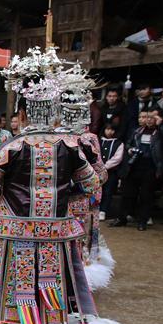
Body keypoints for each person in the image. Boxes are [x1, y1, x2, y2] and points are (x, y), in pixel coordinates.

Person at [0, 46, 123, 324]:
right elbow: (94, 184)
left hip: (13, 233)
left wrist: (5, 192)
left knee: (10, 291)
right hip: (56, 233)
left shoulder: (12, 147)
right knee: (47, 291)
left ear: (23, 114)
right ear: (54, 112)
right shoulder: (69, 147)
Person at [58, 63, 113, 290]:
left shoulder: (85, 139)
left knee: (75, 235)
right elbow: (100, 174)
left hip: (71, 196)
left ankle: (72, 273)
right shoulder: (79, 138)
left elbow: (99, 173)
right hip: (70, 195)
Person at [112, 110, 163, 231]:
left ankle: (142, 221)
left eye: (152, 118)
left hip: (151, 166)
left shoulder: (161, 131)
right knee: (128, 193)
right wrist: (130, 150)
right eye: (147, 117)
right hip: (135, 164)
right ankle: (122, 218)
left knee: (146, 195)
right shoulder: (137, 131)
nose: (149, 120)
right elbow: (128, 143)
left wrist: (161, 124)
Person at [99, 123, 124, 221]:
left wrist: (105, 166)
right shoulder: (98, 141)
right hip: (97, 171)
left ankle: (103, 210)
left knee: (108, 191)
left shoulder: (119, 143)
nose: (110, 132)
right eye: (108, 129)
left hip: (111, 172)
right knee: (98, 190)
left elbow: (117, 158)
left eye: (112, 130)